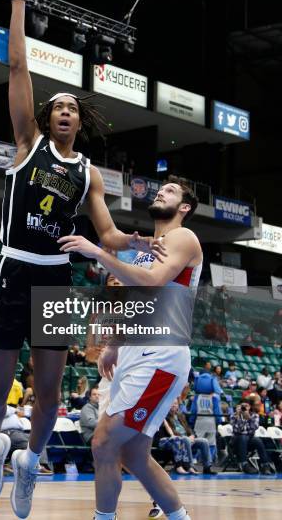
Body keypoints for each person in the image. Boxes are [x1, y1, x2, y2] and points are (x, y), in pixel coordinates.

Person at [0, 0, 165, 515]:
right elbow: (17, 65)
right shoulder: (25, 143)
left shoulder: (89, 172)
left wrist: (131, 240)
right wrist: (17, 3)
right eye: (56, 105)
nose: (63, 111)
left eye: (70, 108)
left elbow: (104, 232)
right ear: (45, 116)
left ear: (79, 121)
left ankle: (28, 464)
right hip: (14, 268)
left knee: (53, 389)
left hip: (55, 277)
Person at [59, 176, 202, 520]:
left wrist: (96, 252)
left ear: (184, 207)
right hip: (136, 353)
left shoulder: (183, 237)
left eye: (169, 191)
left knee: (103, 442)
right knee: (134, 454)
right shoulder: (151, 245)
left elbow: (153, 282)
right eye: (159, 189)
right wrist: (114, 344)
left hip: (161, 355)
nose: (160, 192)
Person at [165, 400, 217, 475]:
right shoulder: (166, 417)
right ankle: (190, 466)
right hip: (178, 440)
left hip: (187, 438)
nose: (174, 405)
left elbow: (188, 428)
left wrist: (192, 435)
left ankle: (207, 467)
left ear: (178, 406)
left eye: (175, 403)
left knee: (204, 441)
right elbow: (171, 431)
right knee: (185, 439)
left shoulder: (180, 415)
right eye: (172, 404)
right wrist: (185, 437)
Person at [230, 401, 273, 474]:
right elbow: (236, 430)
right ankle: (244, 464)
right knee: (243, 437)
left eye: (246, 406)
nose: (244, 408)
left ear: (249, 407)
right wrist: (240, 418)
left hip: (249, 439)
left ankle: (265, 465)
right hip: (237, 441)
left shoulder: (254, 415)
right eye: (242, 406)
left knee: (257, 440)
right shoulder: (234, 416)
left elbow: (254, 428)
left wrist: (248, 418)